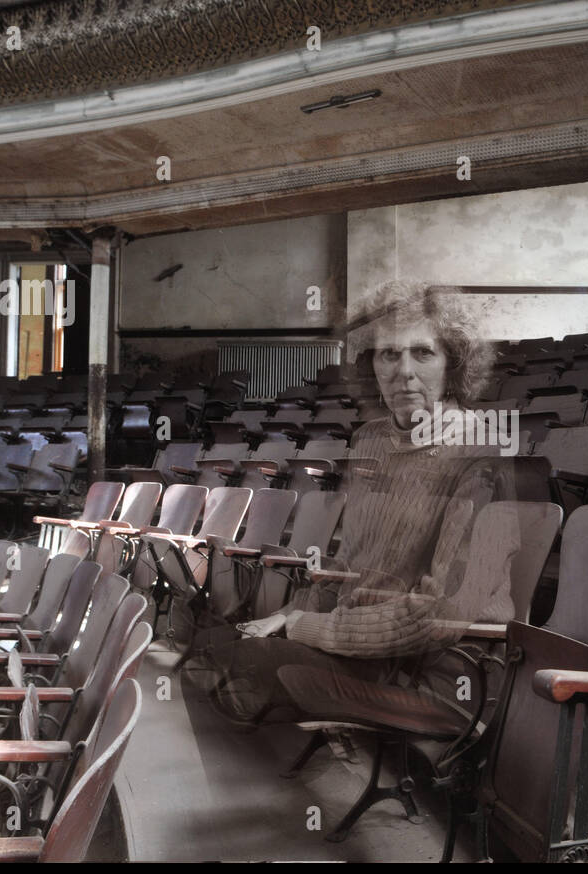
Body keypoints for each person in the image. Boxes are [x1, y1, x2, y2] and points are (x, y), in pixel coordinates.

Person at [205, 281, 517, 725]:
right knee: (216, 653)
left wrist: (306, 628)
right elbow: (348, 565)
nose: (403, 371)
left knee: (240, 672)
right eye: (388, 354)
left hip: (440, 672)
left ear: (453, 364)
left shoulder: (481, 452)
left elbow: (441, 613)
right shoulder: (369, 440)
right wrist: (293, 613)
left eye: (423, 353)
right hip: (364, 650)